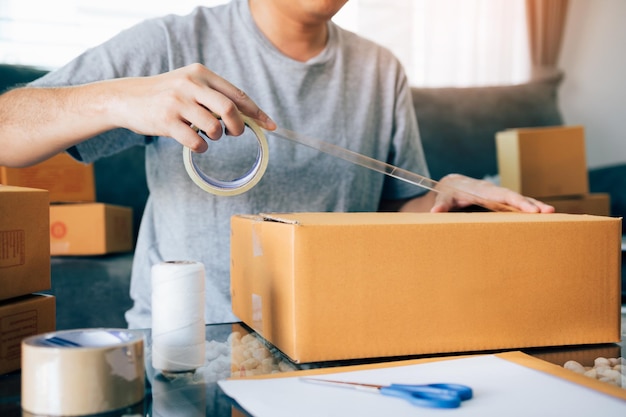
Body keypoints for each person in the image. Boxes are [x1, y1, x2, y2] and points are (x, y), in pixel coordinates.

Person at [0, 0, 553, 329]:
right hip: (191, 347)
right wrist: (118, 98)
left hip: (335, 339)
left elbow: (393, 207)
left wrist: (441, 195)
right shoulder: (173, 43)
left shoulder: (381, 70)